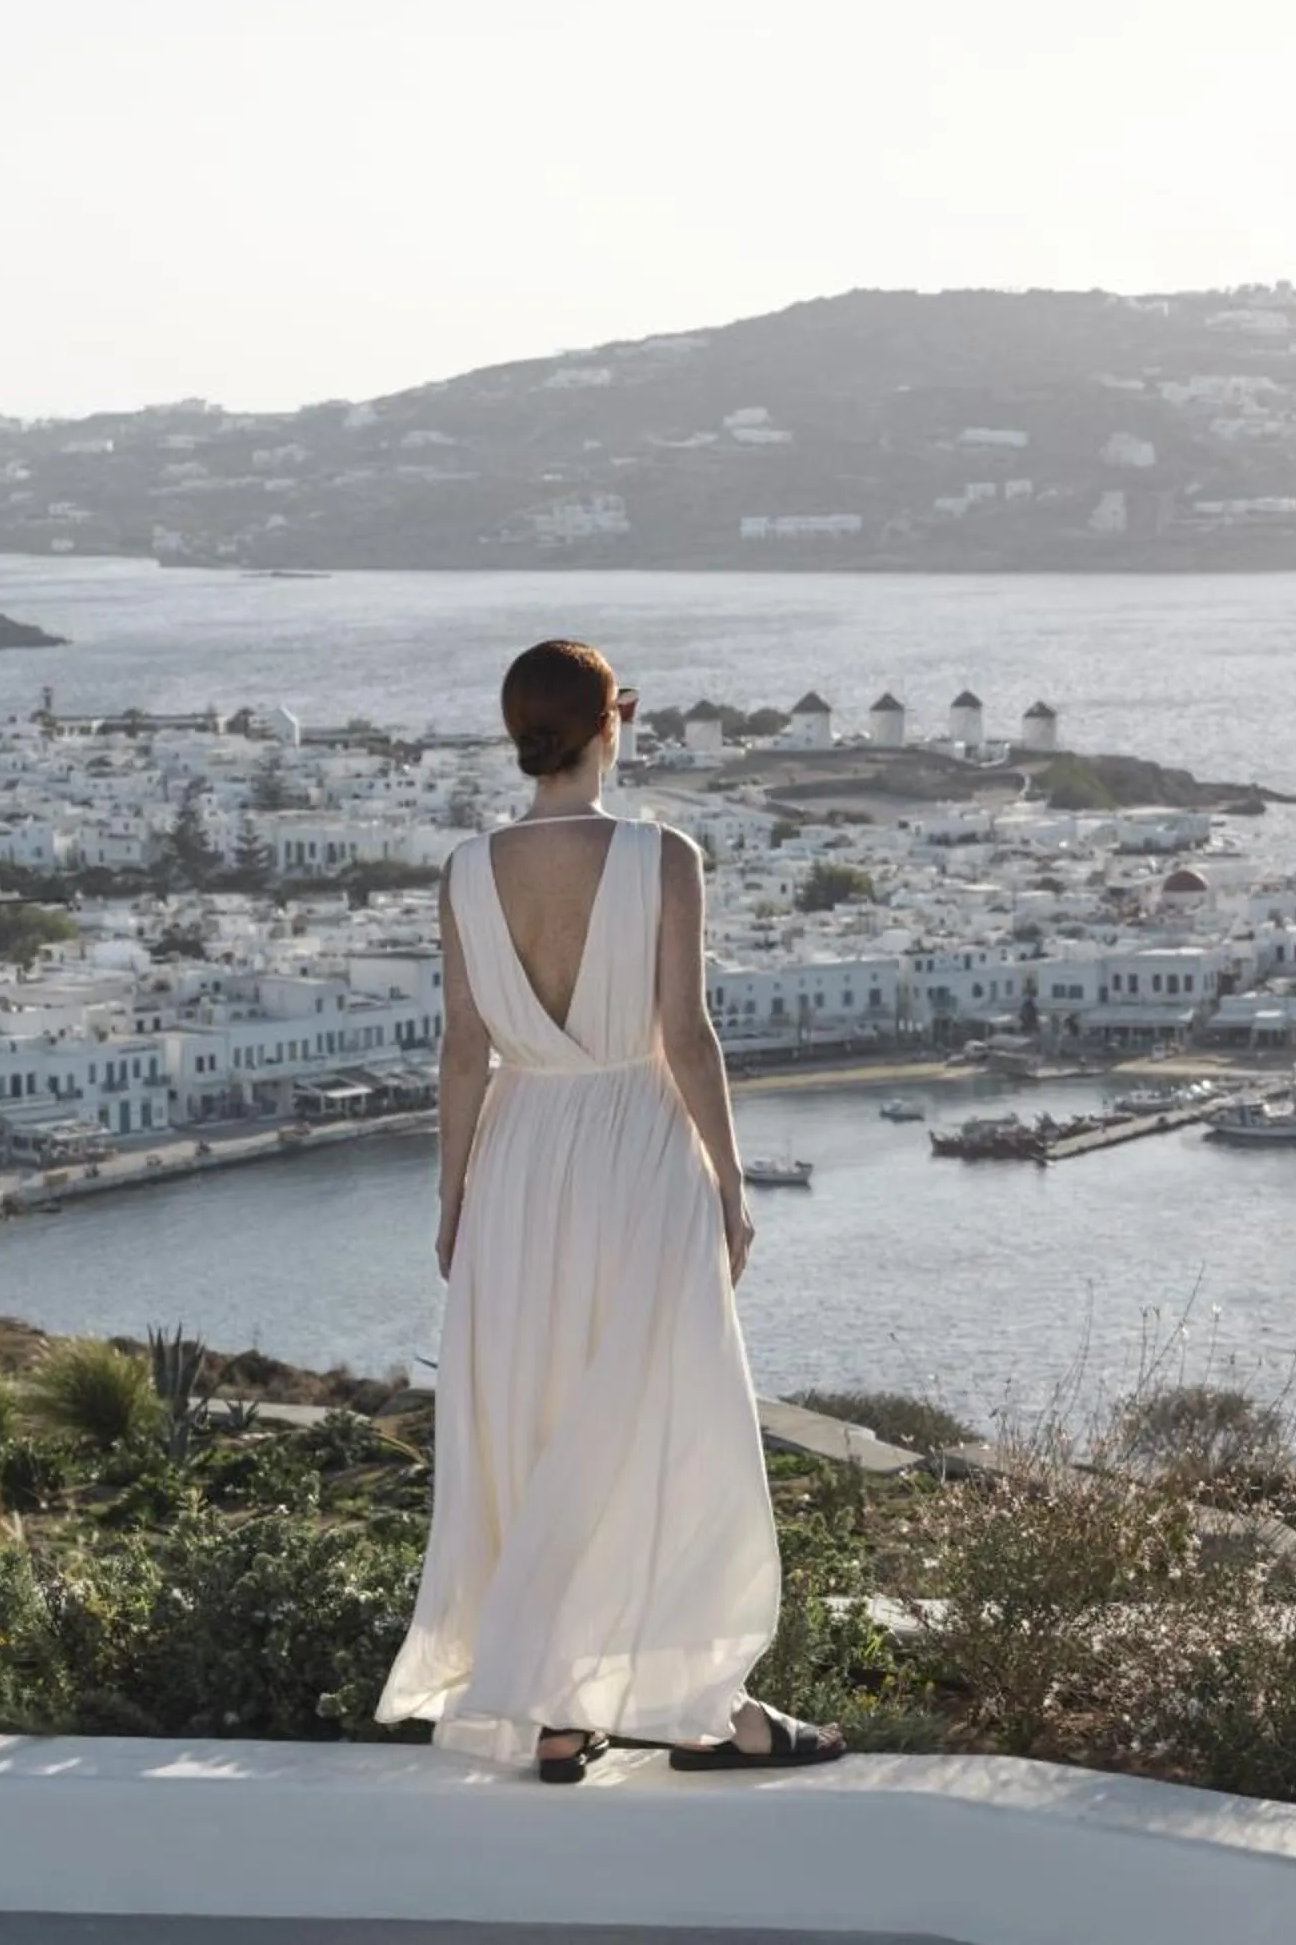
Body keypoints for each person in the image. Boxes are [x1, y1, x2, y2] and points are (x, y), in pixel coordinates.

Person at [376, 639, 844, 1783]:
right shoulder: (662, 856)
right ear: (608, 727)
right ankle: (706, 1710)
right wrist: (731, 1185)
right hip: (639, 1145)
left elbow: (463, 1050)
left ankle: (561, 1710)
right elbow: (685, 1035)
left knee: (539, 1416)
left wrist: (451, 1199)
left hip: (519, 1160)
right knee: (668, 1420)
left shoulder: (466, 870)